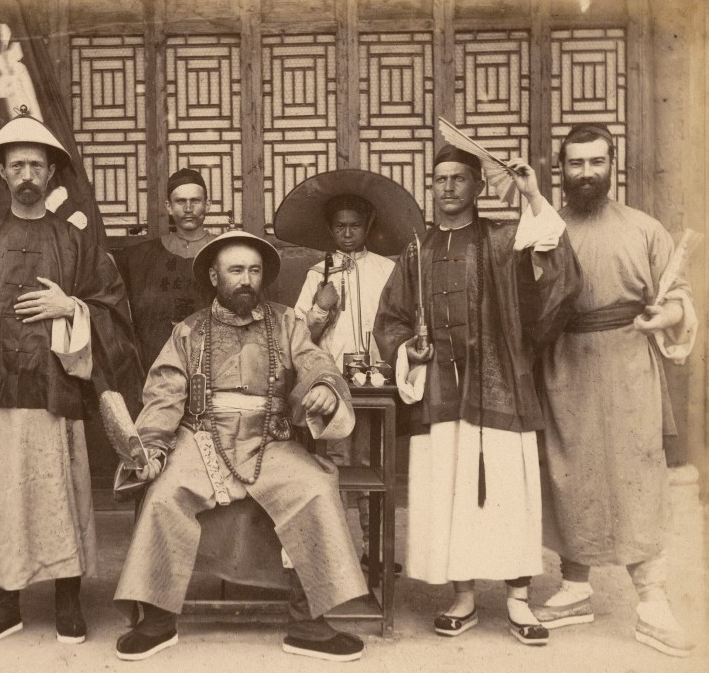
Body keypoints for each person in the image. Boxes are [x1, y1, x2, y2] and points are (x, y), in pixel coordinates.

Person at [0, 114, 142, 646]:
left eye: (37, 165)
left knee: (63, 494)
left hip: (57, 389)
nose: (28, 175)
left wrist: (72, 306)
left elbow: (112, 308)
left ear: (53, 171)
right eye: (17, 166)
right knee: (2, 500)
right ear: (2, 174)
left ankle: (67, 598)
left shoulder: (75, 239)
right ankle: (4, 602)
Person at [113, 230, 369, 662]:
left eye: (254, 270)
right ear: (215, 277)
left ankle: (308, 624)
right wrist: (152, 446)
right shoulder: (188, 331)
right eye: (236, 270)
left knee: (316, 487)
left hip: (269, 438)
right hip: (201, 437)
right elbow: (164, 395)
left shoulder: (287, 323)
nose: (246, 280)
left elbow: (315, 362)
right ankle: (157, 620)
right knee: (164, 494)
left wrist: (324, 387)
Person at [373, 145, 581, 645]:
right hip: (439, 391)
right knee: (450, 492)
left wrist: (532, 196)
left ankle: (518, 599)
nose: (448, 187)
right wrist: (407, 349)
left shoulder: (505, 239)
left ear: (479, 186)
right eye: (440, 178)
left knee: (508, 491)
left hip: (498, 382)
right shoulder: (417, 251)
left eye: (459, 178)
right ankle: (462, 597)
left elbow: (560, 274)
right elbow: (391, 318)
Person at [535, 123, 698, 658]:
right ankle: (575, 587)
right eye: (576, 163)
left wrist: (662, 317)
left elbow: (678, 298)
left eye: (596, 162)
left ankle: (652, 601)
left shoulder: (645, 229)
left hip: (629, 363)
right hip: (564, 363)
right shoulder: (545, 229)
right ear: (561, 169)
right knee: (569, 472)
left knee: (637, 477)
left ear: (612, 165)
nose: (586, 173)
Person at [278, 169, 421, 574]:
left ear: (368, 226)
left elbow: (401, 321)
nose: (346, 234)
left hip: (377, 382)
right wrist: (321, 308)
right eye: (339, 226)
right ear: (330, 229)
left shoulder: (386, 270)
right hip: (332, 385)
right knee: (335, 464)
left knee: (376, 463)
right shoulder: (317, 273)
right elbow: (299, 336)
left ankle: (375, 551)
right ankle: (337, 551)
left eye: (354, 226)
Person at [114, 168, 215, 371]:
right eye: (180, 201)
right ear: (169, 207)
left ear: (207, 204)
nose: (188, 208)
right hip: (157, 362)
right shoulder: (142, 256)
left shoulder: (223, 251)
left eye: (195, 201)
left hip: (212, 359)